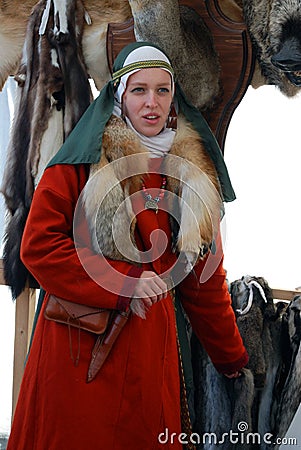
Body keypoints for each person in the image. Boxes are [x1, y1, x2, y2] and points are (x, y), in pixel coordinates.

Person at [7, 42, 248, 450]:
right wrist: (125, 282)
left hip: (147, 361)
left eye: (162, 90)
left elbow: (203, 281)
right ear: (119, 95)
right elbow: (38, 248)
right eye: (139, 90)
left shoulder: (192, 179)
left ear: (174, 98)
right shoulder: (77, 165)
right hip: (77, 360)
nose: (151, 103)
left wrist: (233, 361)